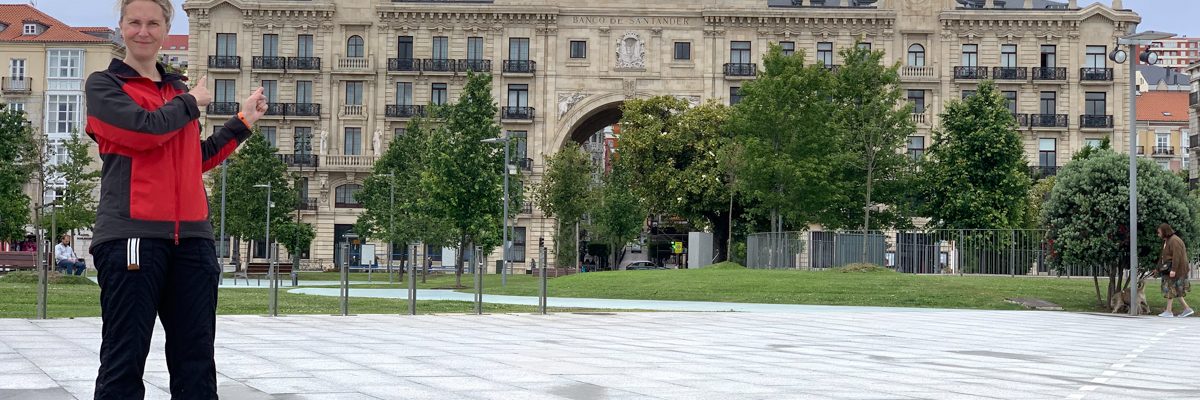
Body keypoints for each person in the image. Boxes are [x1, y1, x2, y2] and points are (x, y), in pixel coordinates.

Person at [84, 0, 267, 398]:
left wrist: (242, 123)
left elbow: (192, 159)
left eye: (153, 22)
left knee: (196, 360)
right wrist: (189, 103)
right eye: (134, 22)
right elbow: (143, 132)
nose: (143, 31)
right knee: (124, 359)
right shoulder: (105, 86)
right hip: (132, 237)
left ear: (166, 29)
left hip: (193, 242)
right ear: (121, 27)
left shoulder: (177, 90)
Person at [1156, 223, 1193, 318]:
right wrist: (1157, 268)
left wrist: (1173, 270)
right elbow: (1163, 256)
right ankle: (1186, 309)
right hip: (1171, 269)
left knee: (1169, 288)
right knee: (1174, 290)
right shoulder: (1168, 240)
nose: (1158, 234)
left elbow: (1177, 256)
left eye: (1159, 232)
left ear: (1164, 231)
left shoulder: (1174, 241)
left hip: (1176, 270)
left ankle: (1169, 311)